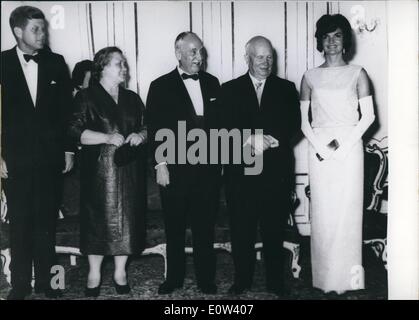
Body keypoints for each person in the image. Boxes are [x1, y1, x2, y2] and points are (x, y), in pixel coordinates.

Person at [0, 6, 74, 300]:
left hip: (49, 158)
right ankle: (19, 287)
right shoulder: (1, 63)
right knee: (20, 224)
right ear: (18, 32)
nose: (43, 34)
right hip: (14, 160)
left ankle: (48, 284)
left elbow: (66, 113)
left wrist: (69, 149)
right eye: (36, 29)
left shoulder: (57, 63)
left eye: (44, 29)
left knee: (46, 223)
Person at [299, 14, 375, 294]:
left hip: (350, 151)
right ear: (320, 41)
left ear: (345, 40)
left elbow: (368, 117)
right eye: (326, 36)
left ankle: (348, 282)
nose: (331, 42)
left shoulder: (358, 73)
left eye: (337, 35)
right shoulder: (309, 76)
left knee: (347, 215)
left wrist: (342, 147)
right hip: (319, 152)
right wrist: (322, 149)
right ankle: (323, 280)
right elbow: (304, 121)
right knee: (323, 215)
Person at [219, 36, 300, 296]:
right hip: (240, 175)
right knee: (241, 230)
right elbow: (220, 128)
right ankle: (242, 280)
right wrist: (249, 137)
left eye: (269, 57)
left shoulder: (287, 88)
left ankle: (276, 282)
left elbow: (293, 125)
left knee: (273, 230)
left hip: (276, 173)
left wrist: (271, 139)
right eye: (259, 57)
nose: (266, 62)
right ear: (247, 58)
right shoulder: (229, 89)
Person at [69, 47, 147, 298]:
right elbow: (73, 131)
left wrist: (140, 135)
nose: (124, 68)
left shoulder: (133, 98)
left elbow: (148, 127)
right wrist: (106, 137)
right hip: (99, 173)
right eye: (118, 64)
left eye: (124, 64)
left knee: (127, 222)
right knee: (96, 223)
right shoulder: (85, 97)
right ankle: (94, 273)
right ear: (101, 67)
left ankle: (120, 272)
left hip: (129, 171)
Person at [147, 32, 221, 295]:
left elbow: (219, 127)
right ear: (178, 53)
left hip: (207, 170)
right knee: (174, 227)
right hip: (175, 170)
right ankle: (174, 278)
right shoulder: (159, 86)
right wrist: (160, 165)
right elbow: (155, 129)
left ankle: (205, 279)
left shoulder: (213, 83)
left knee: (204, 228)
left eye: (201, 52)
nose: (199, 57)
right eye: (193, 52)